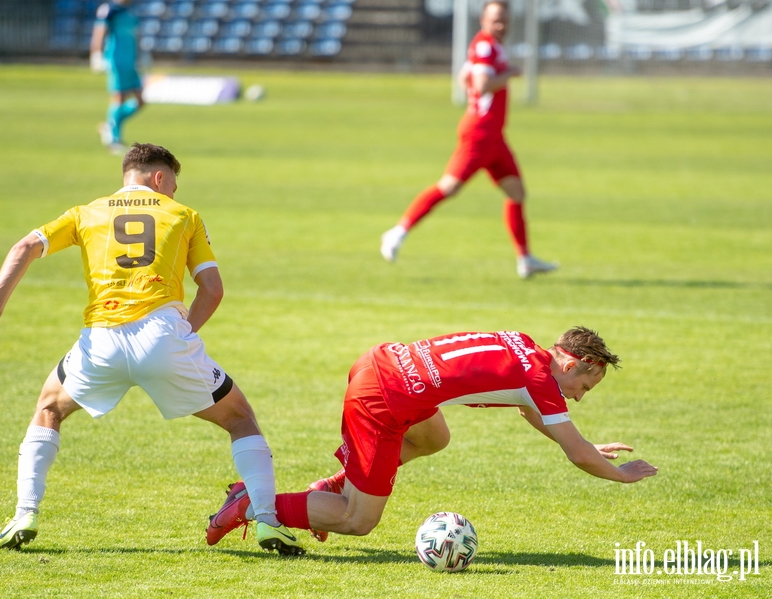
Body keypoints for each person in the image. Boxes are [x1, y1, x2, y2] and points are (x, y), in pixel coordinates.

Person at [0, 143, 303, 556]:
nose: (174, 194)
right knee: (240, 419)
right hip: (163, 333)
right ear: (159, 178)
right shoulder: (184, 216)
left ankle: (24, 514)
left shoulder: (84, 212)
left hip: (100, 341)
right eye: (173, 186)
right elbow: (212, 290)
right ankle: (268, 521)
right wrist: (178, 339)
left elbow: (23, 248)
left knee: (49, 410)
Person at [206, 326, 658, 546]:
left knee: (433, 438)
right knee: (357, 521)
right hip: (384, 397)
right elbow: (576, 454)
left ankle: (332, 487)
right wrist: (620, 475)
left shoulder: (525, 346)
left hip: (382, 364)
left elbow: (535, 413)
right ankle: (252, 503)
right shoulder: (541, 381)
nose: (579, 398)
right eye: (584, 387)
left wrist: (577, 442)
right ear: (573, 363)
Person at [380, 0, 557, 279]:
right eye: (495, 19)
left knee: (517, 193)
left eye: (504, 19)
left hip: (493, 136)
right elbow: (481, 84)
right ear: (483, 21)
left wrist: (480, 98)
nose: (501, 24)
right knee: (448, 187)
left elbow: (465, 77)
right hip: (480, 134)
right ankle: (397, 231)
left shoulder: (487, 46)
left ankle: (525, 259)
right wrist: (508, 74)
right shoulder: (486, 46)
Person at [91, 0, 145, 154]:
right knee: (119, 99)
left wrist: (141, 55)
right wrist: (97, 53)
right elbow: (100, 31)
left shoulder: (132, 10)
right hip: (117, 60)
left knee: (140, 101)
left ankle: (110, 125)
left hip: (131, 61)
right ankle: (114, 140)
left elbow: (136, 35)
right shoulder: (109, 9)